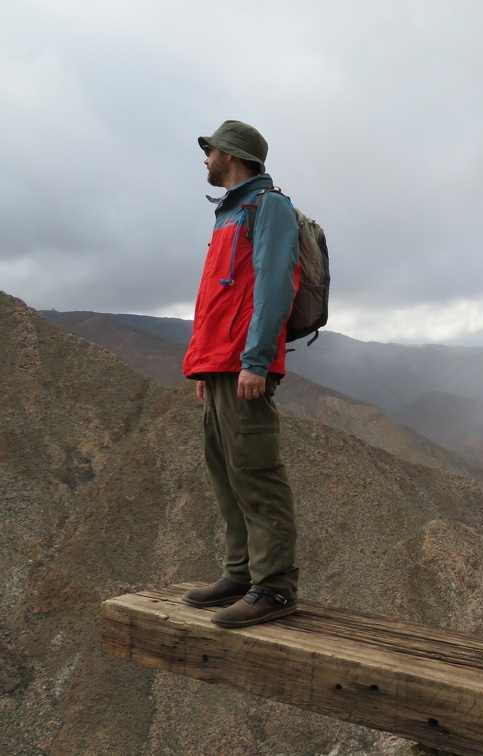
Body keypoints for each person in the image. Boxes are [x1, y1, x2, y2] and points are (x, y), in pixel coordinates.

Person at [180, 120, 301, 627]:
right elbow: (222, 297)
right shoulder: (227, 213)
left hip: (244, 363)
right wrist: (208, 370)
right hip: (219, 365)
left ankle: (273, 588)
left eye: (209, 151)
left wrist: (255, 361)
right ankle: (241, 571)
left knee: (256, 472)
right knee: (226, 472)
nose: (205, 158)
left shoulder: (268, 206)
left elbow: (276, 284)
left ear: (230, 154)